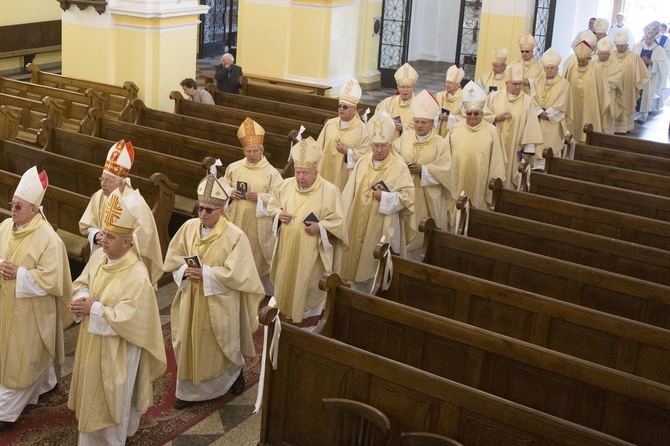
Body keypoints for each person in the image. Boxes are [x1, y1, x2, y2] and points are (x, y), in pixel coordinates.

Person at [68, 188, 167, 444]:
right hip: (93, 341)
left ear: (127, 242)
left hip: (118, 349)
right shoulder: (101, 256)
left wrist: (94, 308)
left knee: (114, 398)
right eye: (104, 234)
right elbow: (82, 282)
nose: (102, 240)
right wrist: (82, 298)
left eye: (110, 237)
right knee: (92, 392)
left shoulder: (137, 274)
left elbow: (132, 318)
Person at [163, 173, 265, 409]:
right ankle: (188, 393)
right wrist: (183, 272)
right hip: (190, 298)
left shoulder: (235, 235)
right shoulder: (189, 227)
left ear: (221, 210)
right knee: (187, 341)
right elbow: (173, 258)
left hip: (219, 301)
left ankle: (233, 376)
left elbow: (241, 274)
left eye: (209, 210)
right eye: (200, 208)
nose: (203, 214)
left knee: (220, 343)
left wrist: (206, 274)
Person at [0, 167, 72, 433]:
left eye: (18, 206)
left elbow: (54, 281)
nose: (12, 209)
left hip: (31, 313)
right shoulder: (6, 227)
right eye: (12, 204)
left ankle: (6, 411)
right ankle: (46, 383)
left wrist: (20, 275)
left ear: (34, 210)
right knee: (9, 355)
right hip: (6, 307)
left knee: (22, 360)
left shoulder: (49, 239)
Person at [268, 137, 347, 328]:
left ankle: (307, 327)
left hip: (311, 254)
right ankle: (283, 318)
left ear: (315, 172)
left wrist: (319, 228)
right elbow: (272, 206)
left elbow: (339, 223)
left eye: (305, 173)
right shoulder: (285, 185)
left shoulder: (330, 191)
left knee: (306, 289)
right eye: (298, 172)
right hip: (287, 249)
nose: (300, 177)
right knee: (285, 284)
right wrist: (279, 215)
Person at [340, 112, 415, 292]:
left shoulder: (399, 166)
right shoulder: (362, 162)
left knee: (372, 266)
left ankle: (373, 297)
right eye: (376, 145)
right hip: (356, 221)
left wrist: (386, 198)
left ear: (390, 145)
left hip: (381, 224)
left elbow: (407, 197)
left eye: (383, 146)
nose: (379, 150)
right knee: (353, 263)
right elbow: (349, 192)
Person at [79, 139, 164, 287]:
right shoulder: (100, 195)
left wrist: (118, 241)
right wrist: (95, 235)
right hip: (102, 258)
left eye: (108, 181)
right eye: (102, 179)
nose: (102, 184)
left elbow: (146, 241)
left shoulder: (136, 204)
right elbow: (86, 225)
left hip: (126, 265)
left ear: (121, 182)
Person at [222, 117, 283, 295]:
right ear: (244, 150)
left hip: (258, 226)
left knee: (256, 260)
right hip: (235, 220)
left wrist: (259, 198)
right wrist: (229, 193)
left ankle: (259, 291)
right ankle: (235, 285)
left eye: (255, 151)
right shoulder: (234, 168)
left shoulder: (271, 173)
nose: (252, 155)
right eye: (248, 151)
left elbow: (279, 197)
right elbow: (223, 186)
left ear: (262, 150)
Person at [392, 90, 452, 258]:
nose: (419, 125)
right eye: (417, 121)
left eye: (423, 123)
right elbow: (393, 154)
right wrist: (402, 165)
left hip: (427, 199)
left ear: (432, 124)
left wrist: (423, 170)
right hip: (405, 194)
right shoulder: (405, 138)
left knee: (422, 232)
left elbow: (446, 171)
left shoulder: (441, 144)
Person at [445, 81, 506, 219]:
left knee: (476, 217)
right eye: (469, 113)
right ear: (465, 113)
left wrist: (494, 185)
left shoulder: (492, 131)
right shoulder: (455, 129)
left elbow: (496, 161)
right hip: (457, 180)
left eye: (476, 113)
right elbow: (444, 156)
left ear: (482, 113)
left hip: (481, 182)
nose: (472, 116)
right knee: (457, 219)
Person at [484, 63, 542, 189]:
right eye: (514, 84)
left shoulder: (528, 101)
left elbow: (531, 127)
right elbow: (483, 117)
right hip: (495, 147)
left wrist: (527, 152)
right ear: (506, 83)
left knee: (511, 181)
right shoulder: (494, 97)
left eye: (520, 84)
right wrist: (496, 118)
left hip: (515, 150)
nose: (518, 87)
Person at [315, 79, 370, 190]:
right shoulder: (330, 124)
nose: (341, 109)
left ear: (354, 110)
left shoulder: (362, 129)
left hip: (344, 177)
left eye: (345, 107)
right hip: (325, 172)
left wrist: (348, 152)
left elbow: (366, 155)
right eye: (339, 106)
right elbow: (318, 147)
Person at [563, 34, 612, 142]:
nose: (581, 63)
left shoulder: (596, 68)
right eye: (579, 61)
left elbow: (602, 89)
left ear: (588, 58)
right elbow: (564, 85)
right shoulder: (571, 67)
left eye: (584, 61)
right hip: (573, 103)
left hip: (590, 105)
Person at [531, 48, 573, 170]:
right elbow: (532, 99)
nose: (549, 71)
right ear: (544, 69)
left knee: (550, 149)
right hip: (538, 120)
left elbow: (562, 102)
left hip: (553, 121)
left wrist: (547, 114)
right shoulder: (537, 81)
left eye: (552, 68)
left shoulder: (564, 83)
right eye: (547, 68)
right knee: (535, 146)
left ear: (557, 69)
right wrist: (539, 112)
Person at [612, 30, 651, 133]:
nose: (620, 48)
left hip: (627, 89)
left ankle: (625, 128)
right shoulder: (611, 56)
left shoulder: (634, 57)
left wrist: (637, 86)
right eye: (618, 46)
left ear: (626, 44)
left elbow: (642, 75)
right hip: (614, 90)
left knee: (626, 107)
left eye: (622, 46)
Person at [633, 22, 668, 121]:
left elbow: (663, 64)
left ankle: (642, 116)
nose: (648, 41)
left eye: (650, 39)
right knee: (635, 95)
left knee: (646, 96)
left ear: (654, 38)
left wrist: (651, 62)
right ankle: (633, 115)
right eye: (647, 38)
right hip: (637, 76)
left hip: (649, 78)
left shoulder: (659, 49)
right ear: (644, 36)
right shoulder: (637, 46)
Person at [375, 63, 419, 141]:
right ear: (398, 87)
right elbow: (377, 118)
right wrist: (389, 121)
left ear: (413, 88)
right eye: (402, 87)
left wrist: (403, 128)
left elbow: (421, 128)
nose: (405, 90)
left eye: (408, 87)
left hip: (407, 145)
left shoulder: (419, 106)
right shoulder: (388, 102)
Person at [594, 38, 624, 134]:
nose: (602, 56)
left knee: (606, 124)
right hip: (593, 96)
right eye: (601, 53)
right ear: (597, 53)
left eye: (605, 54)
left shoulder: (616, 66)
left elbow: (615, 82)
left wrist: (598, 81)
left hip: (608, 96)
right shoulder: (591, 65)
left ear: (609, 54)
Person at [435, 65, 465, 137]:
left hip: (455, 134)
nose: (447, 85)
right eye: (446, 82)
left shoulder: (463, 97)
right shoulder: (439, 95)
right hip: (438, 134)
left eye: (450, 83)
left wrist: (451, 118)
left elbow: (466, 118)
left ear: (457, 85)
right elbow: (430, 111)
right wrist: (438, 115)